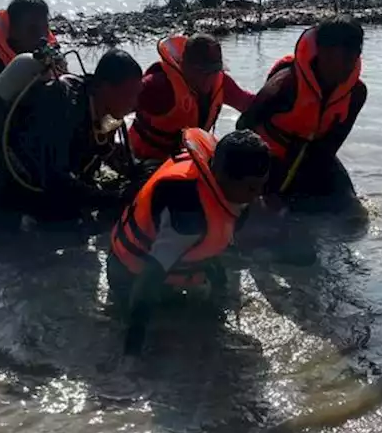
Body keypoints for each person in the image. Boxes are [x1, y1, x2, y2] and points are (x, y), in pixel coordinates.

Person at [108, 128, 271, 356]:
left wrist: (219, 295)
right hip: (129, 277)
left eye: (262, 186)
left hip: (166, 266)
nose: (258, 196)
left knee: (211, 319)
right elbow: (149, 280)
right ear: (222, 176)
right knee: (188, 344)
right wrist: (132, 351)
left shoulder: (219, 180)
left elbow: (211, 248)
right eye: (252, 188)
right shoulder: (188, 213)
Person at [0, 49, 143, 236]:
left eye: (138, 94)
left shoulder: (100, 107)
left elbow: (105, 153)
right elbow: (57, 182)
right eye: (129, 94)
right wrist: (115, 199)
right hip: (3, 191)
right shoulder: (62, 105)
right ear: (104, 87)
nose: (134, 103)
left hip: (42, 188)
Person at [236, 16, 367, 217]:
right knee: (267, 218)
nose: (343, 69)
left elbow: (331, 145)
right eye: (334, 59)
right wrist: (259, 185)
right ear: (321, 52)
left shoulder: (356, 93)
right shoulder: (286, 84)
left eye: (352, 59)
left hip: (312, 157)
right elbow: (244, 125)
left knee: (353, 212)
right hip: (267, 157)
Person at [128, 34, 255, 164]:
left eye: (213, 72)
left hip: (184, 161)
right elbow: (116, 102)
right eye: (202, 72)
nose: (208, 79)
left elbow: (250, 103)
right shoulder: (160, 86)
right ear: (185, 65)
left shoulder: (221, 82)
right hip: (143, 160)